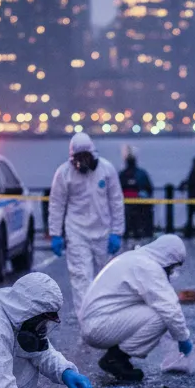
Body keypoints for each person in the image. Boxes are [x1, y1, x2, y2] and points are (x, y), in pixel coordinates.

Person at [79, 234, 192, 382]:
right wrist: (183, 338)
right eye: (172, 266)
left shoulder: (135, 258)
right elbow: (170, 309)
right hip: (98, 326)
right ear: (168, 258)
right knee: (161, 315)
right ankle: (115, 359)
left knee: (156, 307)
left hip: (97, 321)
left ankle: (117, 356)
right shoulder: (148, 268)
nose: (171, 271)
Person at [49, 132, 125, 314]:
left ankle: (108, 316)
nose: (81, 162)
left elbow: (116, 201)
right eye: (78, 158)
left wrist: (117, 232)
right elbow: (57, 203)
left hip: (104, 232)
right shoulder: (64, 173)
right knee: (81, 279)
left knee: (108, 279)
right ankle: (87, 319)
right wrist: (55, 234)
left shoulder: (106, 170)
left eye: (85, 157)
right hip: (77, 233)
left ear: (92, 155)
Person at [119, 145, 154, 239]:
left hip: (126, 205)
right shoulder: (142, 173)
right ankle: (139, 234)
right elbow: (149, 188)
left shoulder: (122, 174)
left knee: (127, 223)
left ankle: (127, 235)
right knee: (138, 224)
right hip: (140, 204)